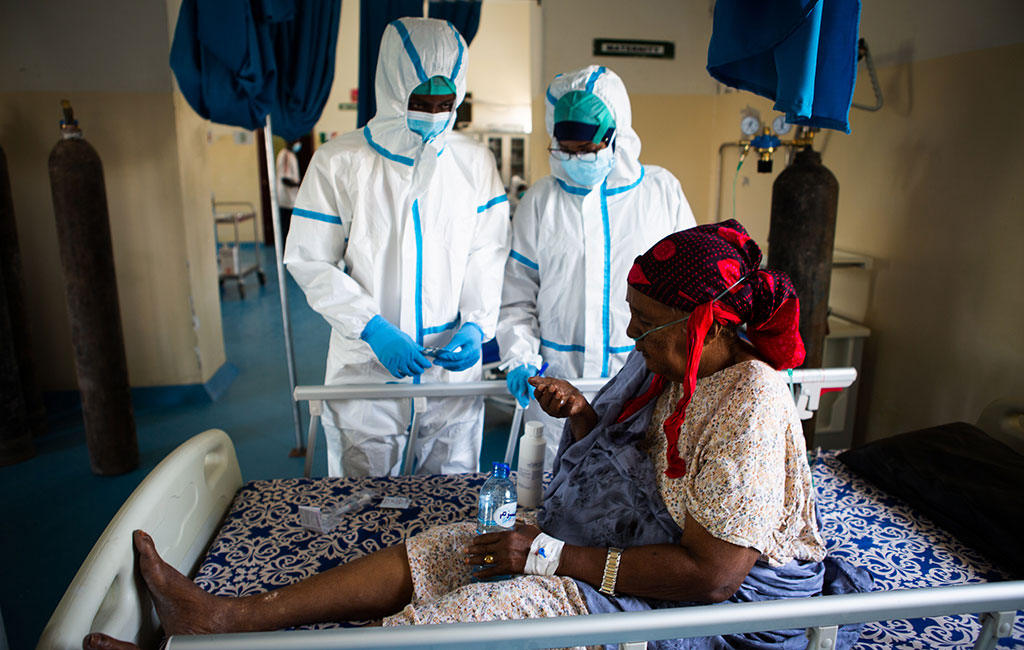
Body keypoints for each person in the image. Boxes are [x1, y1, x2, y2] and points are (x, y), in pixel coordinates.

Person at [82, 220, 872, 650]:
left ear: (705, 322)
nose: (632, 341)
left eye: (643, 325)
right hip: (647, 551)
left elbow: (713, 579)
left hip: (710, 610)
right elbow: (639, 464)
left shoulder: (751, 403)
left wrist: (553, 557)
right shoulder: (677, 368)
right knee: (452, 545)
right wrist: (587, 416)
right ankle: (225, 618)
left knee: (470, 616)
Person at [282, 18, 510, 477]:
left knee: (450, 499)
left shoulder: (473, 163)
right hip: (367, 370)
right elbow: (310, 260)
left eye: (445, 103)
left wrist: (476, 326)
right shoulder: (340, 161)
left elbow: (486, 251)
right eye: (420, 101)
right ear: (390, 88)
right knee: (364, 502)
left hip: (450, 374)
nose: (433, 114)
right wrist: (371, 328)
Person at [497, 65, 696, 469]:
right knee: (555, 495)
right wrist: (520, 358)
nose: (574, 159)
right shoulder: (541, 201)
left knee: (636, 494)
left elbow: (692, 294)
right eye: (565, 148)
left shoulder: (660, 193)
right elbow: (517, 296)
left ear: (615, 136)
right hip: (556, 388)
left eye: (586, 150)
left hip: (642, 382)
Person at [274, 139, 301, 240]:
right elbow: (285, 179)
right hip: (286, 199)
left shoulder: (290, 155)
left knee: (290, 228)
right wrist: (299, 184)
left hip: (290, 199)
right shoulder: (286, 155)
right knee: (286, 229)